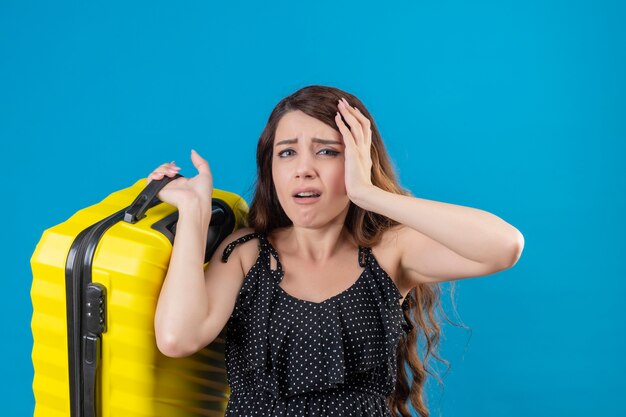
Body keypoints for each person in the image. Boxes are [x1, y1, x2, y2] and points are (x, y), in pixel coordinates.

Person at [149, 85, 525, 417]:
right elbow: (177, 338)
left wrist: (369, 194)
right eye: (287, 153)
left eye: (327, 152)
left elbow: (503, 246)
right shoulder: (247, 253)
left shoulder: (389, 254)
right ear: (271, 170)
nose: (303, 169)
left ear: (358, 161)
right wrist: (194, 214)